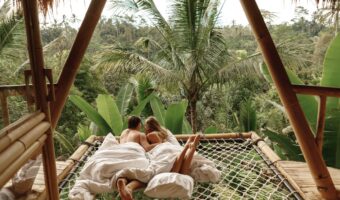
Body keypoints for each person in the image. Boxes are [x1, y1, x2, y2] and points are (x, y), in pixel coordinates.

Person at [117, 116, 160, 200]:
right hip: (132, 154)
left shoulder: (124, 132)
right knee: (148, 177)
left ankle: (123, 181)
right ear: (138, 124)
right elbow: (147, 148)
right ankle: (129, 187)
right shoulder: (140, 134)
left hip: (120, 155)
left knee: (125, 174)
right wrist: (159, 143)